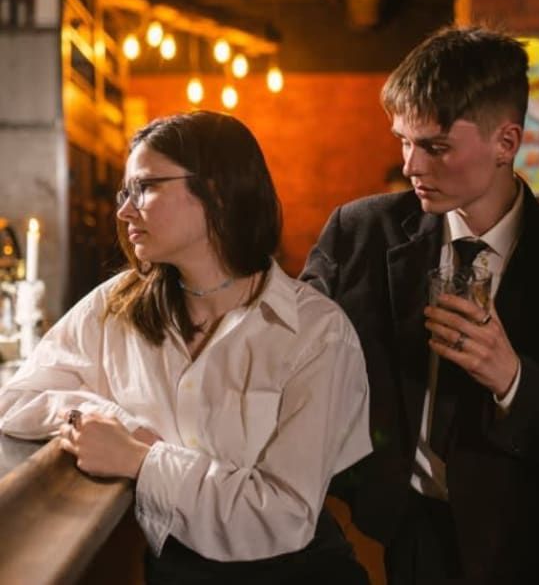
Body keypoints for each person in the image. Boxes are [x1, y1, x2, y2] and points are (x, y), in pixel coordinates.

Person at [0, 111, 372, 583]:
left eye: (145, 188)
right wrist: (115, 424)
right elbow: (17, 401)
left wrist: (141, 459)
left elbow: (281, 516)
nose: (124, 211)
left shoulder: (317, 332)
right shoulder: (116, 305)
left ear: (216, 191)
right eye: (124, 192)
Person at [301, 26, 539, 582]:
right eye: (403, 141)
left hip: (536, 546)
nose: (411, 166)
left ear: (506, 143)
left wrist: (512, 379)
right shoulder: (359, 231)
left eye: (435, 147)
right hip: (404, 534)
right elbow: (287, 350)